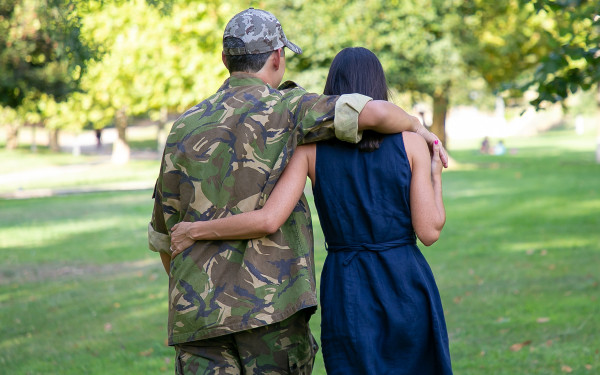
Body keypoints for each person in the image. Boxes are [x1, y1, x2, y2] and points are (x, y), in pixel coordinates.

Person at [149, 8, 446, 374]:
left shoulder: (183, 127)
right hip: (273, 310)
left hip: (200, 312)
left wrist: (200, 282)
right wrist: (420, 129)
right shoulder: (293, 110)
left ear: (225, 59)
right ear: (277, 57)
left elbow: (164, 237)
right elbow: (376, 114)